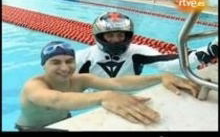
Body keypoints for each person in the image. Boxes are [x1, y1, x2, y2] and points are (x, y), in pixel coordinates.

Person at [15, 41, 200, 131]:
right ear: (43, 65)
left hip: (65, 122)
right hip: (32, 130)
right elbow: (58, 99)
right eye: (56, 62)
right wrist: (103, 96)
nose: (65, 68)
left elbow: (116, 82)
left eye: (69, 61)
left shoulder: (79, 79)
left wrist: (160, 76)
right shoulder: (34, 86)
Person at [75, 12, 218, 78]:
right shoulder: (83, 57)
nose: (117, 40)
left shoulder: (137, 52)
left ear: (128, 36)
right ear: (100, 36)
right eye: (110, 35)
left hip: (131, 97)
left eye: (120, 35)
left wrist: (209, 51)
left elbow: (169, 63)